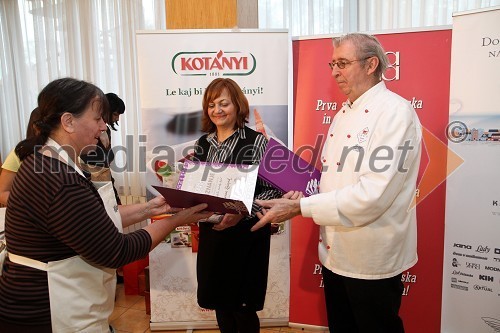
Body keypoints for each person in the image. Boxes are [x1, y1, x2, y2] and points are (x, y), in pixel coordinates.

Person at [0, 77, 211, 333]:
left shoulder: (52, 162)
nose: (103, 127)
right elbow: (116, 251)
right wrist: (176, 220)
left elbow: (100, 218)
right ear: (68, 121)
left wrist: (156, 208)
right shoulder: (58, 178)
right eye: (98, 118)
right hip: (50, 311)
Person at [252, 33, 422, 333]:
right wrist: (289, 174)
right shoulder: (343, 112)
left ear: (371, 65)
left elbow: (373, 195)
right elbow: (333, 180)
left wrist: (301, 206)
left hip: (371, 258)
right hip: (334, 253)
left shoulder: (395, 113)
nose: (334, 72)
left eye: (342, 63)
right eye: (333, 63)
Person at [193, 78, 282, 333]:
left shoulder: (256, 142)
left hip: (246, 237)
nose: (217, 110)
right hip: (214, 235)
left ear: (238, 105)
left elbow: (273, 190)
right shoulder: (203, 144)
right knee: (220, 304)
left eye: (224, 103)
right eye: (211, 105)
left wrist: (240, 210)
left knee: (242, 309)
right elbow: (198, 189)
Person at [81, 92, 125, 204]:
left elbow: (105, 167)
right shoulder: (89, 134)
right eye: (115, 114)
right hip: (94, 193)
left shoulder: (106, 132)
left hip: (106, 187)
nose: (117, 119)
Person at [0, 107, 41, 206]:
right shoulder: (20, 152)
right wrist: (27, 208)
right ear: (36, 127)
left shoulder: (69, 151)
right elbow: (2, 193)